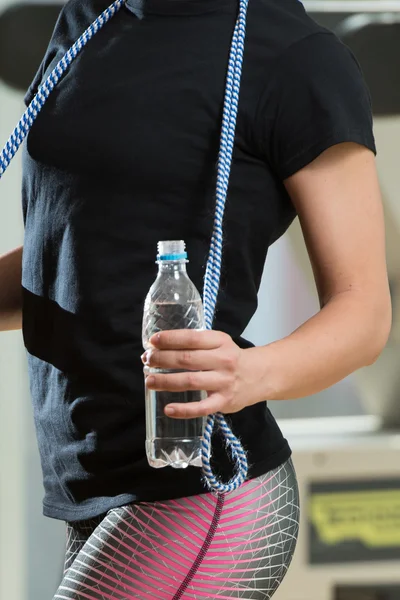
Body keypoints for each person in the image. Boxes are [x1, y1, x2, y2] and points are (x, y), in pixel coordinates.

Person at [0, 0, 392, 596]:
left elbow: (364, 312)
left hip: (200, 485)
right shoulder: (89, 20)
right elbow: (71, 255)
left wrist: (250, 372)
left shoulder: (296, 59)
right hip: (86, 483)